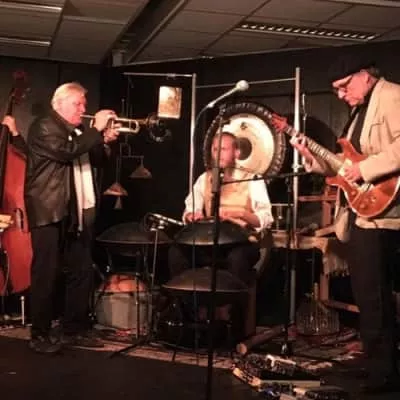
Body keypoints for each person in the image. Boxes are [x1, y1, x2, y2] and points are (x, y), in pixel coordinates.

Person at [290, 59, 400, 393]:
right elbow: (344, 167)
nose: (340, 94)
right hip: (362, 213)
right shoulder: (358, 111)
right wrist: (312, 159)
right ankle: (379, 364)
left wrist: (365, 171)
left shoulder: (393, 96)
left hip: (385, 212)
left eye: (344, 86)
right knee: (369, 294)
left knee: (373, 295)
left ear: (365, 76)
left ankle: (384, 373)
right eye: (336, 89)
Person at [24, 82, 120, 354]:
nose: (83, 109)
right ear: (60, 104)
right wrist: (96, 130)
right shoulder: (44, 126)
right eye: (78, 104)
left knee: (81, 270)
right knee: (46, 273)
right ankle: (39, 334)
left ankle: (74, 328)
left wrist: (105, 141)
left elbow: (95, 159)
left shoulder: (78, 131)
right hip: (49, 209)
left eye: (84, 104)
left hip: (75, 209)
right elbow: (66, 151)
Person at [167, 130, 273, 337]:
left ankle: (228, 317)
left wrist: (238, 213)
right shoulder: (205, 179)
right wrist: (191, 215)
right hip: (210, 243)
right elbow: (190, 207)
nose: (217, 154)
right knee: (177, 253)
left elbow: (265, 218)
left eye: (223, 149)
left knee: (237, 259)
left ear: (236, 152)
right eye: (215, 149)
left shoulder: (252, 179)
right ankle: (191, 313)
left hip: (241, 243)